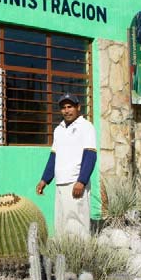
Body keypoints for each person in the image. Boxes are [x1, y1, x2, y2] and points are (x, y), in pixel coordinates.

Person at [36, 93, 97, 236]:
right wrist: (44, 180)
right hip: (60, 183)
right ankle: (64, 256)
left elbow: (90, 155)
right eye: (63, 108)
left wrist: (81, 181)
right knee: (61, 223)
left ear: (78, 108)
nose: (66, 110)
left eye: (70, 107)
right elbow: (54, 157)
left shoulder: (86, 127)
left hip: (75, 183)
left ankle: (81, 257)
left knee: (78, 225)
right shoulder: (59, 130)